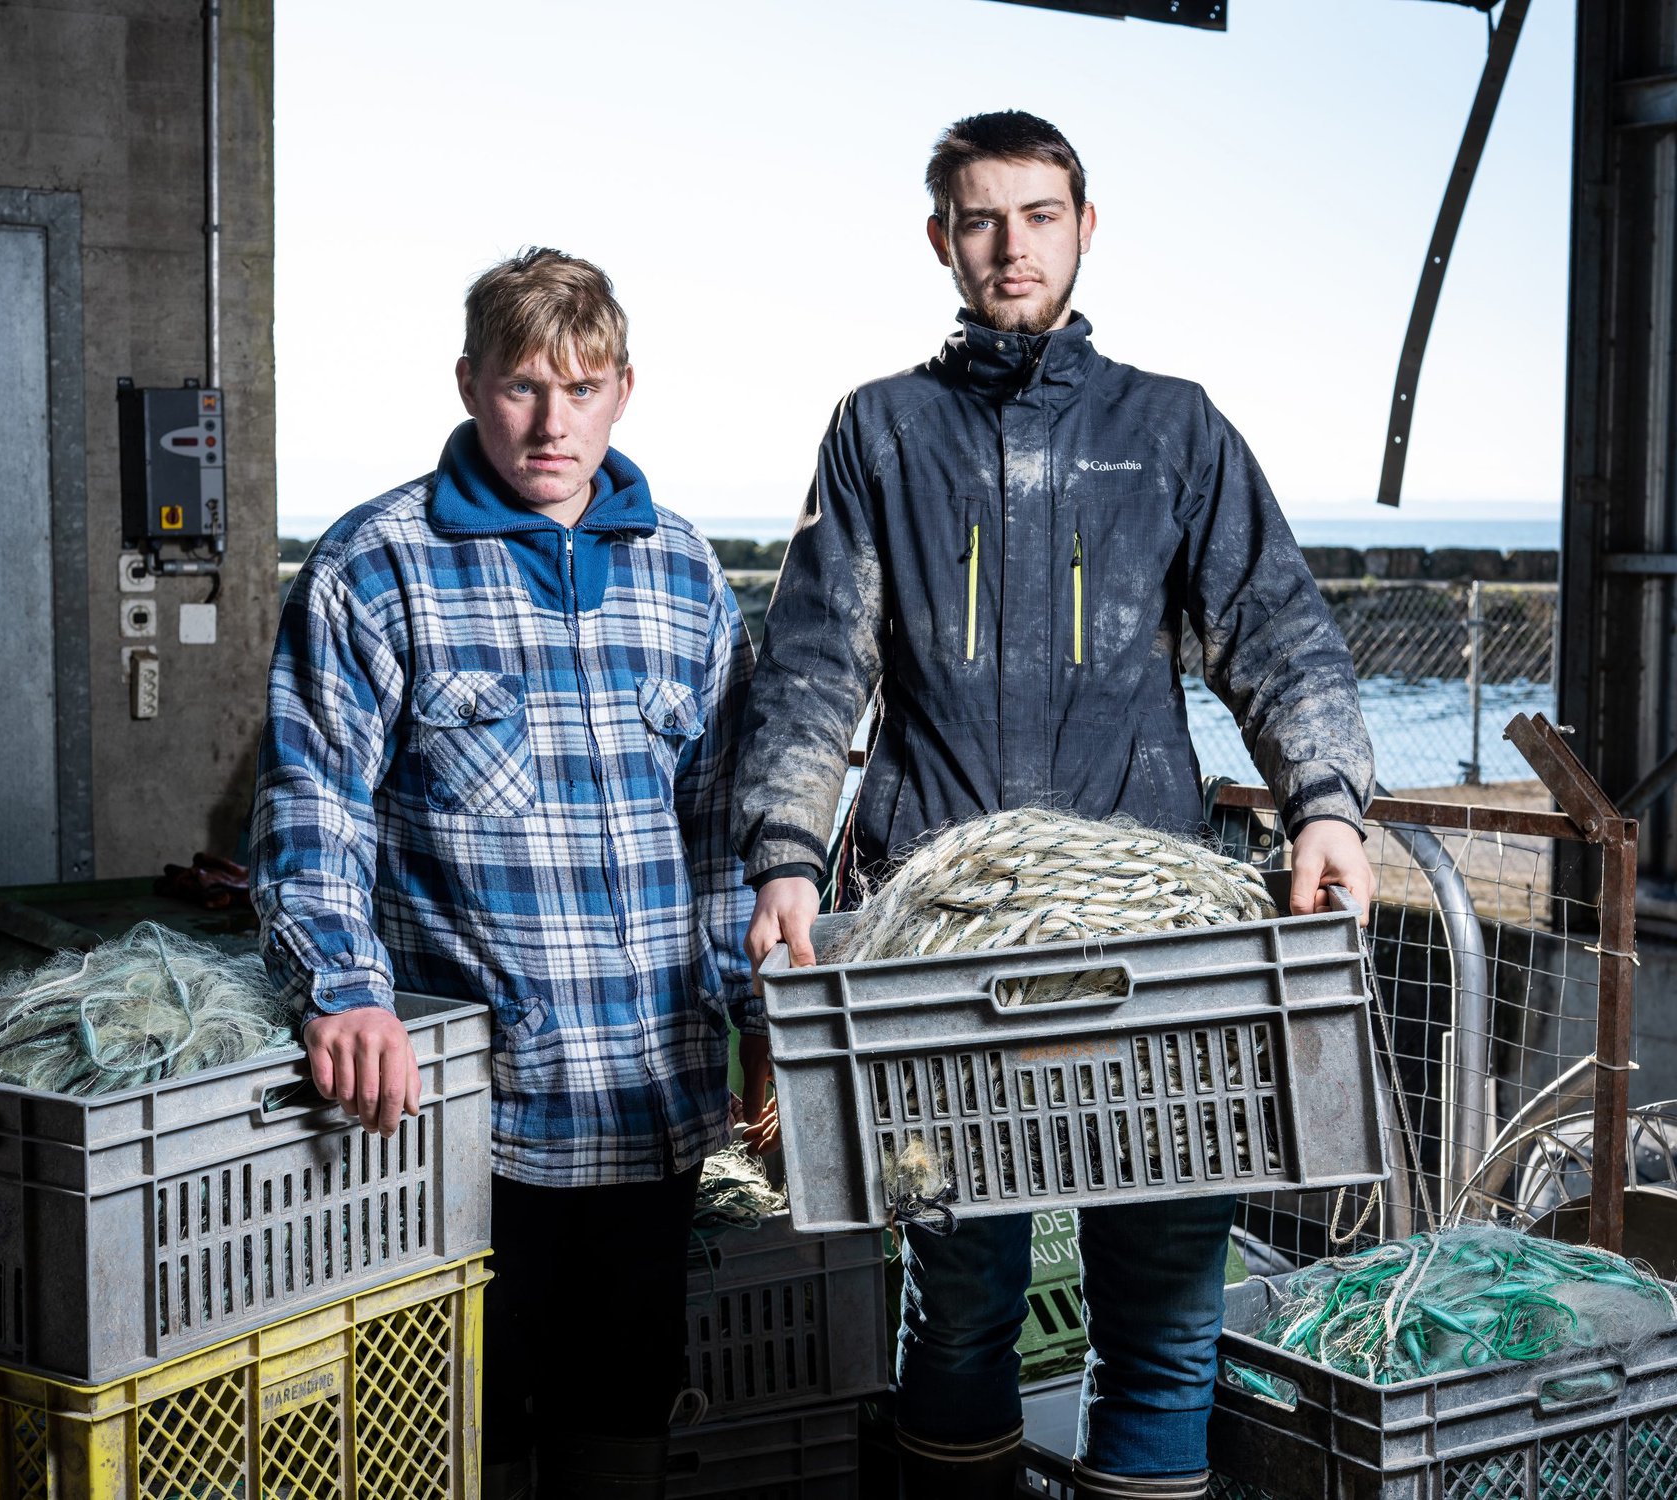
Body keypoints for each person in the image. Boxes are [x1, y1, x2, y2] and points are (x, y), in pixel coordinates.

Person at [732, 111, 1376, 1500]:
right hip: (942, 935)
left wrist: (1327, 801)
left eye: (1038, 214)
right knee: (959, 1291)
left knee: (1165, 1285)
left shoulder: (1173, 428)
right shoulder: (880, 433)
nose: (1010, 245)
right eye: (980, 218)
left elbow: (1278, 630)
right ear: (940, 240)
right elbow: (810, 667)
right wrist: (787, 853)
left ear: (1088, 225)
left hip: (1156, 939)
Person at [250, 248, 766, 1500]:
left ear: (623, 391)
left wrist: (758, 1025)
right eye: (523, 386)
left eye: (581, 388)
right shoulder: (376, 564)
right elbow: (312, 802)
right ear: (470, 382)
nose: (551, 422)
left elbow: (720, 834)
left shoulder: (686, 574)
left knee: (625, 1395)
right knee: (462, 1417)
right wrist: (341, 988)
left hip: (650, 1094)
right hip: (465, 1106)